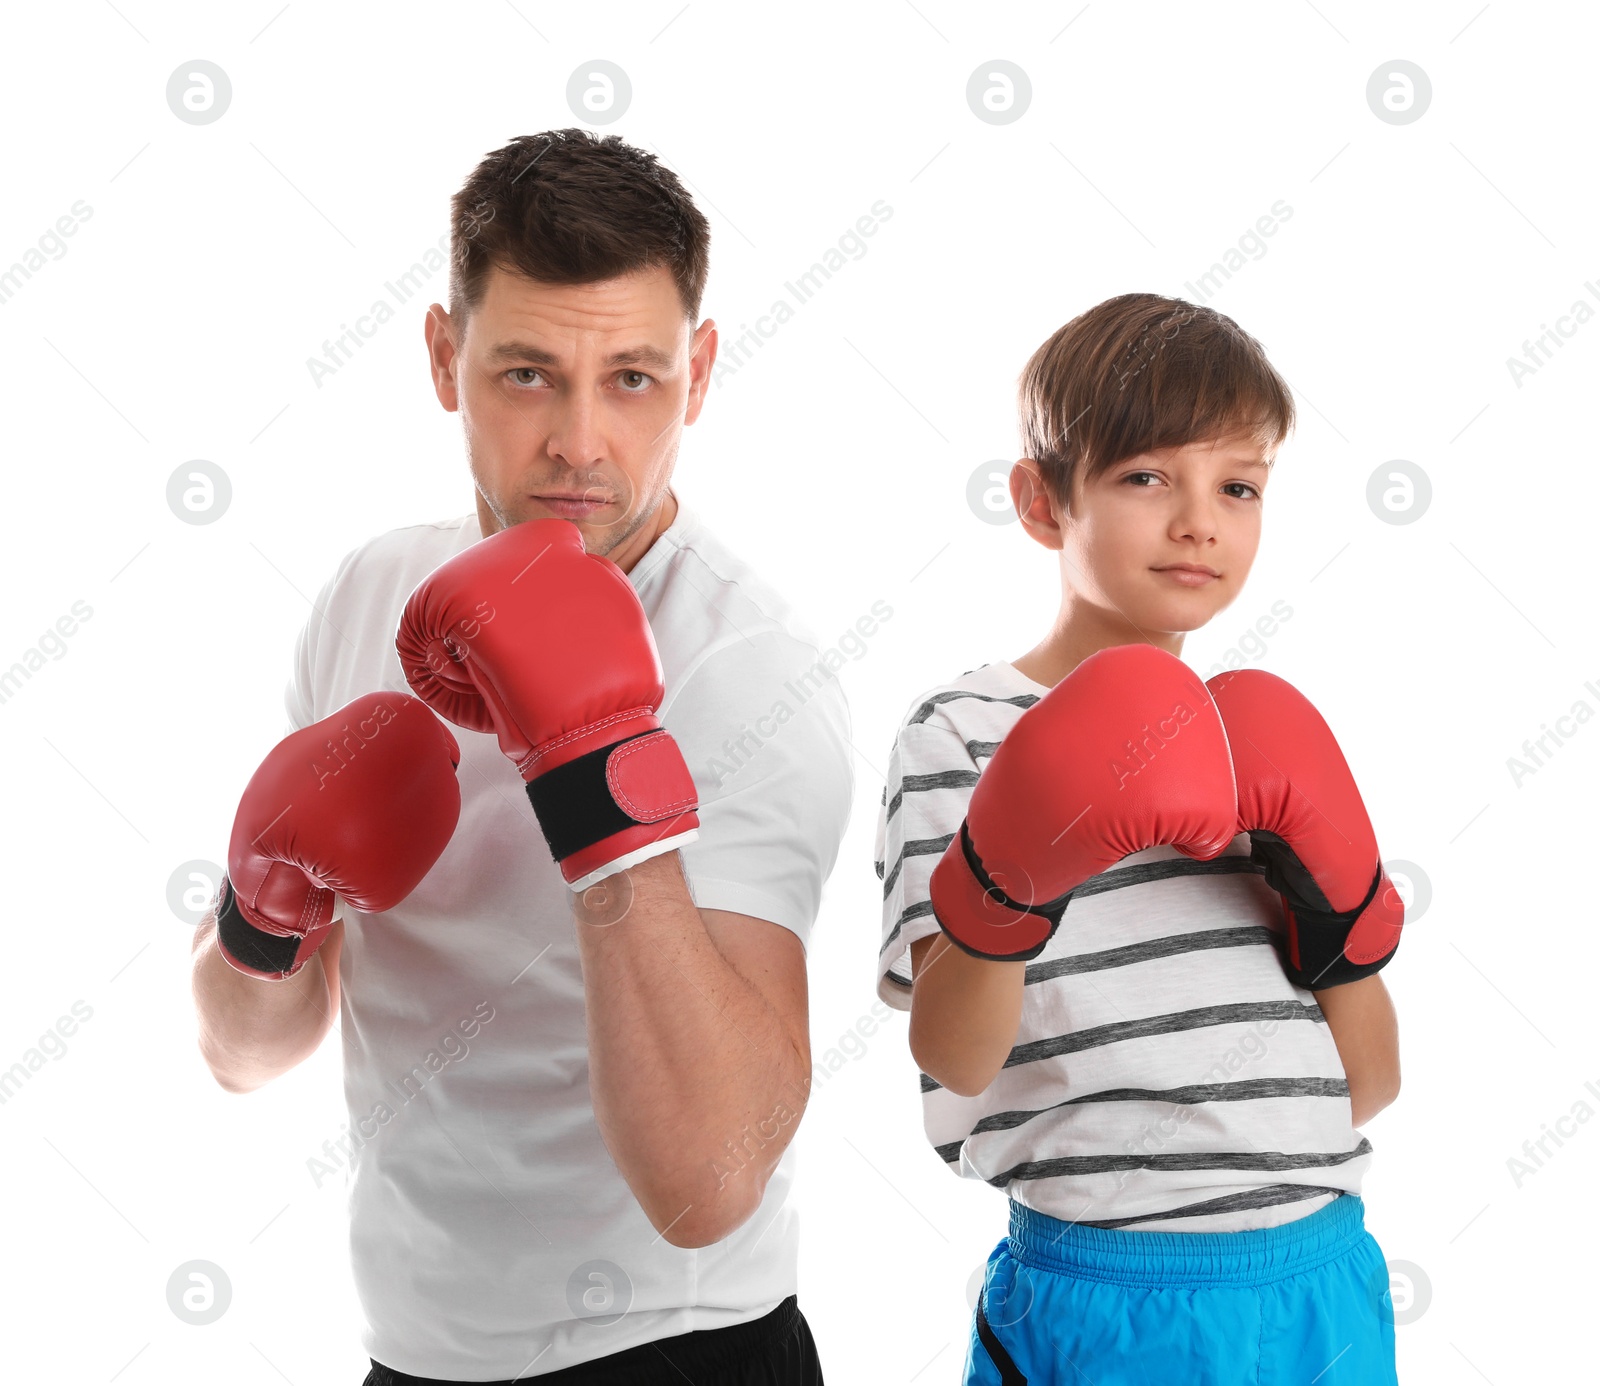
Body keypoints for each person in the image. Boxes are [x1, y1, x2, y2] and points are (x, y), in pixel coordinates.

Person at [191, 128, 852, 1384]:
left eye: (635, 379)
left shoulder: (745, 669)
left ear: (701, 373)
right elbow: (242, 1056)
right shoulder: (370, 595)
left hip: (675, 1351)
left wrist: (598, 787)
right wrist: (264, 909)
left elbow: (713, 1178)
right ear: (446, 358)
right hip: (414, 1354)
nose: (582, 445)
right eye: (530, 374)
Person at [872, 293, 1404, 1383]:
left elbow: (1369, 1084)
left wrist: (1333, 915)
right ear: (1037, 500)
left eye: (1237, 486)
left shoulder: (1260, 752)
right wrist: (1008, 883)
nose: (1199, 520)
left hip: (1323, 1282)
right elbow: (954, 1058)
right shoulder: (962, 734)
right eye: (1146, 477)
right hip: (1109, 1295)